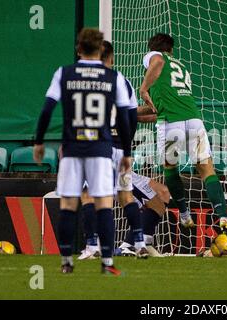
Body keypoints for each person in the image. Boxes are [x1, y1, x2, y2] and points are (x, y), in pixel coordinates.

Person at [33, 28, 133, 275]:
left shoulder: (64, 73)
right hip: (101, 149)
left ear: (78, 48)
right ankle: (107, 262)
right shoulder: (114, 77)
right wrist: (128, 152)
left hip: (72, 149)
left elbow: (46, 110)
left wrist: (39, 142)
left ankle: (67, 260)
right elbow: (123, 118)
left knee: (68, 204)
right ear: (100, 50)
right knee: (104, 205)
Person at [139, 33, 227, 240]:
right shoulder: (180, 66)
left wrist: (143, 88)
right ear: (172, 49)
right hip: (194, 120)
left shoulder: (154, 57)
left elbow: (156, 61)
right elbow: (159, 109)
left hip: (170, 124)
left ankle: (184, 214)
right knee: (207, 169)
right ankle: (223, 217)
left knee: (170, 167)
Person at [78, 40, 169, 260]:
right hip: (120, 149)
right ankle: (138, 244)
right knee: (126, 195)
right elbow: (130, 116)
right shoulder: (123, 82)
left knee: (90, 195)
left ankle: (94, 246)